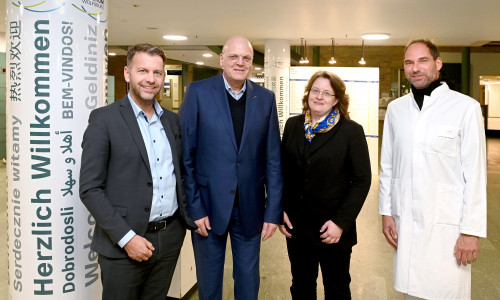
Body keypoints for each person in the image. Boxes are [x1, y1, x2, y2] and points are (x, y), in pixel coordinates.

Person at [79, 43, 196, 300]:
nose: (150, 79)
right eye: (143, 70)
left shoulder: (171, 121)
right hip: (124, 243)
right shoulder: (104, 120)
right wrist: (127, 238)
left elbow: (180, 176)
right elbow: (90, 188)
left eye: (157, 72)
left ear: (164, 77)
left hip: (169, 239)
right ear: (127, 73)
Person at [379, 39, 487, 300]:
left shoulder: (465, 108)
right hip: (407, 218)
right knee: (411, 291)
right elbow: (388, 166)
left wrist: (470, 232)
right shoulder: (396, 110)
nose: (415, 68)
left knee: (446, 291)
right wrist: (386, 212)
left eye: (423, 61)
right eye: (409, 62)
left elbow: (475, 175)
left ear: (437, 64)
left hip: (447, 227)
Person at [179, 35, 283, 300]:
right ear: (221, 59)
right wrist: (194, 207)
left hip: (250, 205)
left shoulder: (266, 98)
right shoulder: (198, 92)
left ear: (251, 63)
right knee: (210, 283)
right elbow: (186, 156)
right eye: (234, 56)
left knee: (248, 283)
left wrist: (273, 212)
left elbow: (273, 158)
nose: (240, 62)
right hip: (208, 207)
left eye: (246, 58)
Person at [279, 70, 372, 300]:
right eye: (315, 90)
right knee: (301, 287)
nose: (319, 97)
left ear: (337, 99)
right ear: (308, 93)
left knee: (337, 288)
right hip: (297, 227)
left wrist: (341, 223)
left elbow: (362, 180)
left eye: (327, 93)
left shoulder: (351, 131)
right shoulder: (293, 125)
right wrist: (279, 209)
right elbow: (281, 172)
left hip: (333, 229)